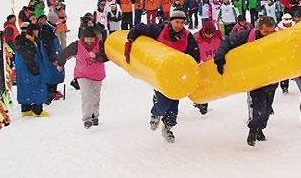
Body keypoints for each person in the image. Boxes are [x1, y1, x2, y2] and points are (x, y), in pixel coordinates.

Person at [124, 9, 200, 143]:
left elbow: (195, 56)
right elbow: (140, 28)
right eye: (176, 22)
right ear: (171, 21)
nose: (179, 25)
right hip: (159, 74)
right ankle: (155, 113)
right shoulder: (159, 29)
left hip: (177, 77)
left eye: (182, 22)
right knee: (164, 104)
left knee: (174, 108)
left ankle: (167, 128)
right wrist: (130, 40)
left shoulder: (188, 37)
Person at [214, 16, 278, 146]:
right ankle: (253, 129)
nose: (269, 35)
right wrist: (220, 58)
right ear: (259, 29)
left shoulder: (279, 37)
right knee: (258, 106)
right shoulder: (248, 35)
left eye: (271, 32)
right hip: (254, 78)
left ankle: (260, 128)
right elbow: (228, 42)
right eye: (266, 32)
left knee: (267, 109)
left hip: (271, 78)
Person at [56, 24, 108, 128]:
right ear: (83, 38)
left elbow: (107, 57)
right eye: (87, 38)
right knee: (87, 94)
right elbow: (65, 53)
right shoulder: (77, 45)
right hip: (82, 74)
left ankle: (95, 116)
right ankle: (87, 118)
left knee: (95, 95)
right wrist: (60, 64)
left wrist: (97, 56)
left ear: (95, 38)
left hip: (97, 74)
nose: (89, 41)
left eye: (91, 38)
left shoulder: (100, 44)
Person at [15, 23, 49, 117]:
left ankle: (26, 109)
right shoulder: (27, 43)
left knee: (25, 87)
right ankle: (37, 110)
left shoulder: (23, 41)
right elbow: (28, 58)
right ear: (34, 31)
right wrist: (35, 70)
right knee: (37, 87)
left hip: (23, 71)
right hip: (29, 70)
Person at [193, 21, 223, 115]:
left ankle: (202, 102)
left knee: (210, 84)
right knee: (202, 84)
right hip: (201, 65)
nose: (210, 36)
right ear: (203, 32)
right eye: (207, 33)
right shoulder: (196, 38)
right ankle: (201, 103)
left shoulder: (219, 37)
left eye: (212, 33)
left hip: (214, 64)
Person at [37, 15, 65, 103]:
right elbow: (47, 47)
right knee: (51, 74)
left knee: (54, 73)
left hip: (52, 56)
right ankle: (50, 92)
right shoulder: (47, 31)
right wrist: (53, 59)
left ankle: (53, 91)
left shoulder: (49, 29)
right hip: (49, 57)